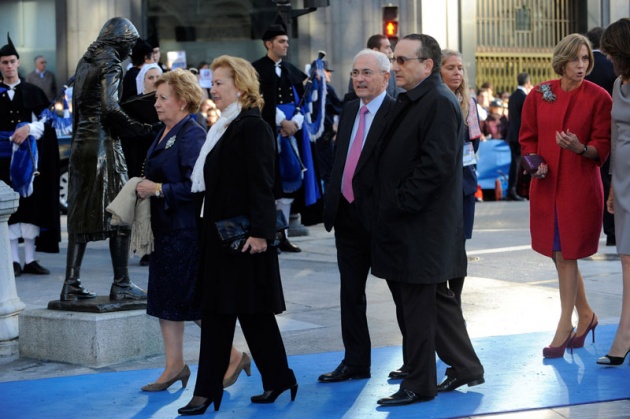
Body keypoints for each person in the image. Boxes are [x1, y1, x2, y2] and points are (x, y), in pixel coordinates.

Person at [179, 55, 297, 415]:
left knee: (224, 313)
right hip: (220, 236)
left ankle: (206, 391)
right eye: (212, 82)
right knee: (252, 313)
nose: (211, 89)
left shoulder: (251, 126)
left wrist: (262, 234)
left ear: (241, 86)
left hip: (244, 238)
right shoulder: (224, 126)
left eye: (219, 83)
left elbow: (262, 183)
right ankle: (279, 378)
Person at [373, 34, 484, 406]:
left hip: (423, 226)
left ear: (427, 65)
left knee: (420, 306)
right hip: (414, 224)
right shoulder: (417, 98)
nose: (395, 67)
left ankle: (420, 383)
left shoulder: (436, 102)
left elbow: (433, 168)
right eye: (395, 60)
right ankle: (466, 366)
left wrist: (399, 203)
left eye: (403, 60)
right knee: (436, 301)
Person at [519, 33, 611, 358]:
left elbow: (603, 144)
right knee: (561, 255)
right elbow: (527, 138)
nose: (582, 65)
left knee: (567, 255)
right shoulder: (539, 94)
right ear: (562, 61)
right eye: (576, 59)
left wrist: (581, 148)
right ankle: (586, 314)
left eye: (586, 59)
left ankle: (565, 324)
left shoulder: (600, 98)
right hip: (546, 188)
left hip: (579, 190)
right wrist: (535, 165)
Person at [318, 49, 397, 383]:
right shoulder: (350, 110)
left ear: (385, 77)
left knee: (403, 295)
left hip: (383, 222)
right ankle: (355, 362)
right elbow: (342, 160)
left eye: (367, 72)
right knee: (350, 295)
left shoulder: (397, 113)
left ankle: (416, 362)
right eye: (354, 73)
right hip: (347, 217)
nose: (360, 79)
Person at [60, 17, 151, 301]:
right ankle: (121, 283)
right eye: (130, 44)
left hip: (81, 146)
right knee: (120, 211)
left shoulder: (85, 61)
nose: (131, 50)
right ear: (120, 41)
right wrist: (139, 128)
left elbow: (79, 110)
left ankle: (70, 284)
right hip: (104, 145)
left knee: (78, 214)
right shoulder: (111, 63)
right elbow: (110, 108)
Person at [132, 68, 205, 391]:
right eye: (156, 98)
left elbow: (197, 186)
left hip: (185, 231)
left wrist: (158, 189)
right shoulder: (165, 131)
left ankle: (232, 356)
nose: (156, 104)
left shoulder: (192, 134)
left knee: (190, 301)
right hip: (167, 231)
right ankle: (174, 365)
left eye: (163, 98)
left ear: (184, 100)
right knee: (167, 302)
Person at [0, 34, 60, 278]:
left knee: (31, 206)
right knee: (10, 208)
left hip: (28, 159)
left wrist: (27, 129)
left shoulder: (33, 91)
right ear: (0, 65)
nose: (9, 66)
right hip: (2, 160)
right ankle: (13, 260)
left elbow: (46, 123)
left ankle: (30, 259)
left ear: (18, 62)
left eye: (12, 61)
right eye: (4, 62)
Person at [252, 20, 308, 253]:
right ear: (269, 44)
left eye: (287, 41)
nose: (286, 45)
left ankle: (282, 235)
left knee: (286, 182)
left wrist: (294, 122)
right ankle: (270, 234)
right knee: (269, 184)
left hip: (289, 134)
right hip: (267, 134)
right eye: (281, 41)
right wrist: (280, 122)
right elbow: (258, 102)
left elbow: (302, 101)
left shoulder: (290, 69)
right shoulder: (256, 69)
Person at [598, 18, 630, 366]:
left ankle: (625, 334)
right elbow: (614, 134)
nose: (604, 55)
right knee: (626, 255)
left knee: (629, 258)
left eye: (609, 49)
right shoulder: (619, 82)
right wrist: (610, 183)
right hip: (622, 177)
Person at [440, 49, 482, 304]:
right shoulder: (435, 100)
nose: (457, 73)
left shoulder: (470, 102)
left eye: (460, 68)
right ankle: (441, 299)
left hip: (464, 182)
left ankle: (455, 301)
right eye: (450, 67)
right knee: (443, 243)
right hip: (442, 183)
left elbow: (474, 142)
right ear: (439, 71)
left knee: (460, 246)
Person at [586, 26, 618, 246]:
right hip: (610, 129)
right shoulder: (613, 66)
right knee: (609, 178)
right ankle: (613, 231)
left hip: (583, 130)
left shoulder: (585, 66)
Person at [345, 34, 399, 102]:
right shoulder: (350, 108)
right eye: (387, 47)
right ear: (375, 50)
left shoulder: (393, 73)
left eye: (367, 73)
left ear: (386, 77)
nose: (390, 51)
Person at [315, 60, 342, 193]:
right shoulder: (326, 88)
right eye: (327, 72)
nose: (329, 75)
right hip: (324, 138)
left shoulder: (309, 88)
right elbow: (339, 107)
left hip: (313, 139)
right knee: (328, 172)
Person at [506, 72, 533, 201]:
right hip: (519, 136)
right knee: (517, 165)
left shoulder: (513, 96)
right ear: (527, 83)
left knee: (516, 164)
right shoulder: (524, 97)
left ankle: (514, 190)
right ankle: (513, 191)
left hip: (512, 134)